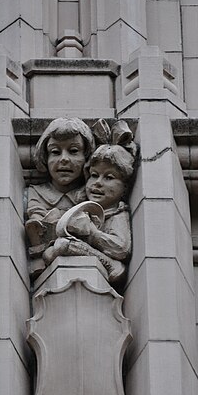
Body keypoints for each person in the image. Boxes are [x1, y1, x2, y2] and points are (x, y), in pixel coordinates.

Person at [44, 142, 136, 283]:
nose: (98, 183)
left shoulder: (117, 213)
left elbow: (121, 248)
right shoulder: (86, 209)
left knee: (63, 245)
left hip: (94, 259)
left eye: (109, 177)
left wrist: (92, 233)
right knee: (49, 253)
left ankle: (110, 264)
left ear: (124, 188)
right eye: (94, 175)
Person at [25, 117, 95, 276]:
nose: (64, 159)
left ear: (87, 157)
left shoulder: (92, 194)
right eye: (55, 152)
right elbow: (37, 226)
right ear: (45, 157)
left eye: (74, 151)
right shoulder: (36, 193)